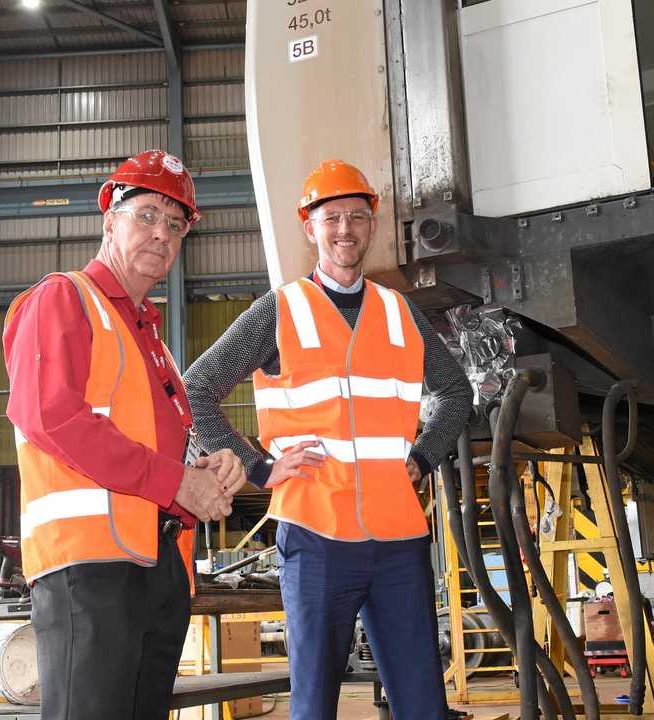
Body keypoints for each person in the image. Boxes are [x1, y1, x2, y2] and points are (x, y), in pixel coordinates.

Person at [183, 159, 472, 718]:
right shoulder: (279, 310)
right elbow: (195, 391)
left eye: (357, 217)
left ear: (372, 225)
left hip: (398, 542)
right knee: (314, 704)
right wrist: (261, 469)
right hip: (316, 536)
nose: (345, 229)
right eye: (332, 217)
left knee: (424, 706)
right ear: (309, 226)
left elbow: (456, 394)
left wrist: (422, 454)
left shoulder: (400, 312)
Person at [3, 149, 247, 720]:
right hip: (88, 568)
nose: (161, 233)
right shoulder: (63, 298)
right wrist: (176, 482)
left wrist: (208, 471)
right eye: (147, 215)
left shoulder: (153, 342)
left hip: (157, 565)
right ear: (109, 219)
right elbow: (51, 417)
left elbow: (157, 447)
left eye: (176, 223)